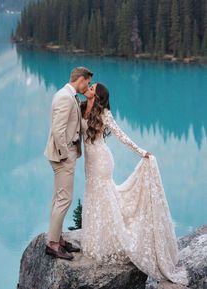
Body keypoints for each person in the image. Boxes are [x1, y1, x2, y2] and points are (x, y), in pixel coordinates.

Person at [79, 82, 188, 286]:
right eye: (89, 85)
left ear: (98, 94)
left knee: (103, 195)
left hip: (102, 160)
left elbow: (121, 136)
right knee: (92, 195)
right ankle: (97, 238)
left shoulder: (104, 114)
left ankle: (112, 240)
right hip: (89, 162)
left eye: (92, 86)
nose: (89, 87)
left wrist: (142, 152)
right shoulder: (81, 107)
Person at [43, 66, 93, 260]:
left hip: (63, 153)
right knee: (64, 199)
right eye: (87, 83)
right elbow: (58, 130)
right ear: (80, 79)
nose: (87, 86)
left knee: (59, 198)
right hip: (62, 155)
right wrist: (65, 153)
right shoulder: (65, 97)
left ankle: (58, 238)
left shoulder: (69, 95)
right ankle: (53, 245)